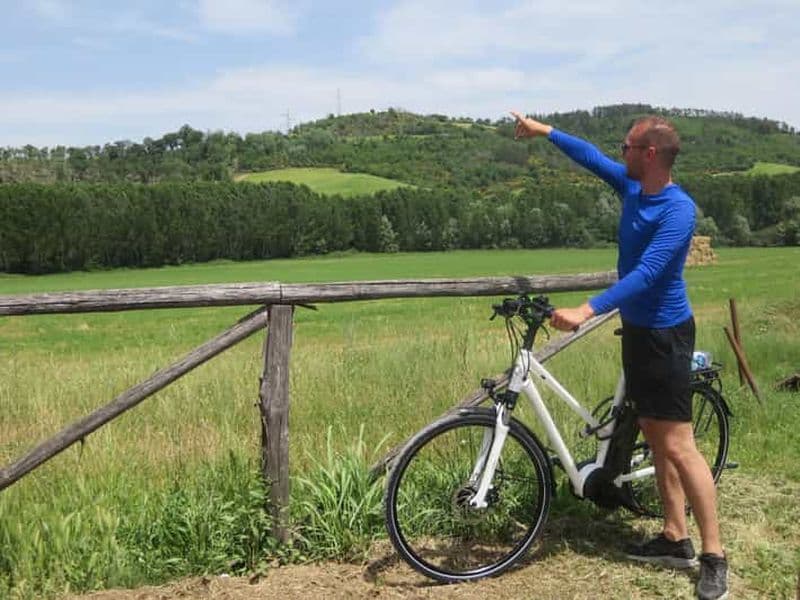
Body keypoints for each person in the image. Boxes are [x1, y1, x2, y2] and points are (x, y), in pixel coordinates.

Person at [510, 111, 728, 600]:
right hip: (638, 331)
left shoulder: (678, 210)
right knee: (654, 435)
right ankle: (676, 536)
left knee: (679, 445)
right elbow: (589, 157)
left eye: (627, 147)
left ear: (649, 154)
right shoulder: (632, 188)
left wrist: (588, 308)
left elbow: (649, 272)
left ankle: (714, 555)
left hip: (666, 335)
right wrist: (545, 132)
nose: (620, 153)